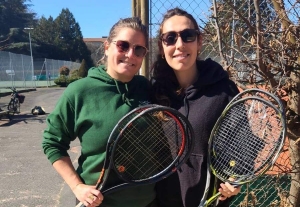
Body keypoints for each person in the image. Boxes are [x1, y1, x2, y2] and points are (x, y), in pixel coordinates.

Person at [42, 17, 155, 207]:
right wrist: (77, 186)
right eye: (123, 45)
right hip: (100, 203)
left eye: (139, 49)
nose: (130, 54)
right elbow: (52, 142)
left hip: (148, 202)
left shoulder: (148, 89)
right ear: (107, 47)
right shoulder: (79, 92)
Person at [150, 8, 241, 207]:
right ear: (161, 46)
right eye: (170, 38)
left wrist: (234, 181)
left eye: (188, 36)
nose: (180, 45)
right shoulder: (153, 94)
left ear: (199, 42)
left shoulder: (224, 90)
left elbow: (241, 145)